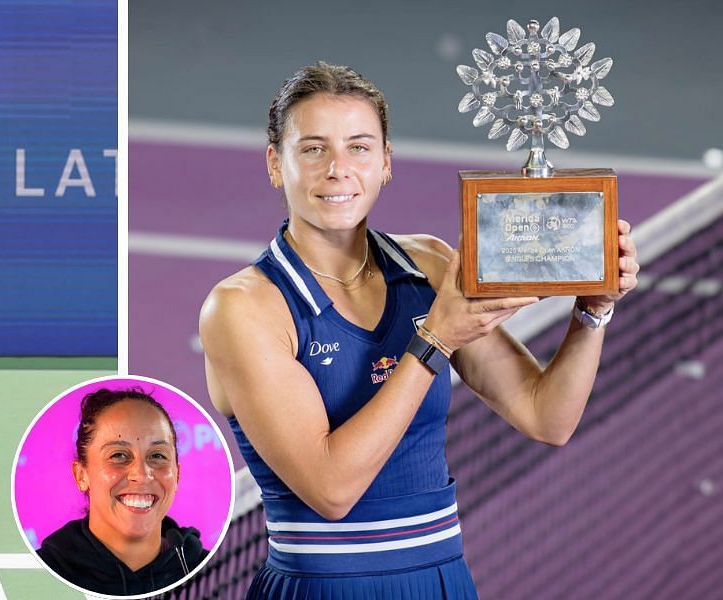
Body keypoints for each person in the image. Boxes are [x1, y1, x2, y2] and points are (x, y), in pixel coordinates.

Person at [198, 62, 639, 598]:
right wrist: (433, 340)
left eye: (360, 147)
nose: (339, 169)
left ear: (386, 163)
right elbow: (332, 490)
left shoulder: (428, 265)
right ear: (275, 164)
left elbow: (546, 416)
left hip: (441, 583)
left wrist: (592, 312)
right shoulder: (242, 308)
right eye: (313, 149)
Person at [36, 387, 208, 596]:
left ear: (177, 475)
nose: (142, 475)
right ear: (81, 475)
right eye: (118, 455)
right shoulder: (44, 571)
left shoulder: (208, 570)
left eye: (157, 456)